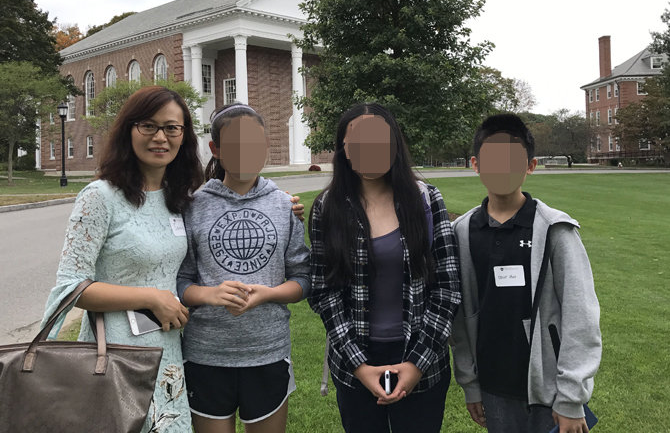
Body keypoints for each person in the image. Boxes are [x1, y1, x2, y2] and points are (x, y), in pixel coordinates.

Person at [42, 85, 204, 432]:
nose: (160, 137)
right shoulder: (100, 197)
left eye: (171, 128)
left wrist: (284, 207)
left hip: (167, 354)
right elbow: (71, 288)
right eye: (148, 125)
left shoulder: (178, 198)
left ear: (184, 136)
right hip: (113, 356)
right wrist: (151, 297)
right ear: (129, 130)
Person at [308, 103, 461, 433]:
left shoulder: (426, 200)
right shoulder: (328, 207)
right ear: (344, 150)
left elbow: (447, 288)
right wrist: (359, 365)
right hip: (354, 361)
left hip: (422, 356)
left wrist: (416, 364)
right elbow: (324, 292)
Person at [451, 113, 601, 433]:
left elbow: (581, 314)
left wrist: (571, 397)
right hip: (494, 386)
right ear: (475, 164)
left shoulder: (555, 230)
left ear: (530, 166)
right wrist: (470, 384)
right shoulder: (462, 232)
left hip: (550, 389)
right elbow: (462, 317)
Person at [177, 103, 311, 433]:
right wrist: (209, 295)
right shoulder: (193, 206)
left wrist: (267, 294)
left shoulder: (284, 205)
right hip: (206, 354)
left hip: (268, 352)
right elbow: (180, 281)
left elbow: (303, 278)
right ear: (216, 149)